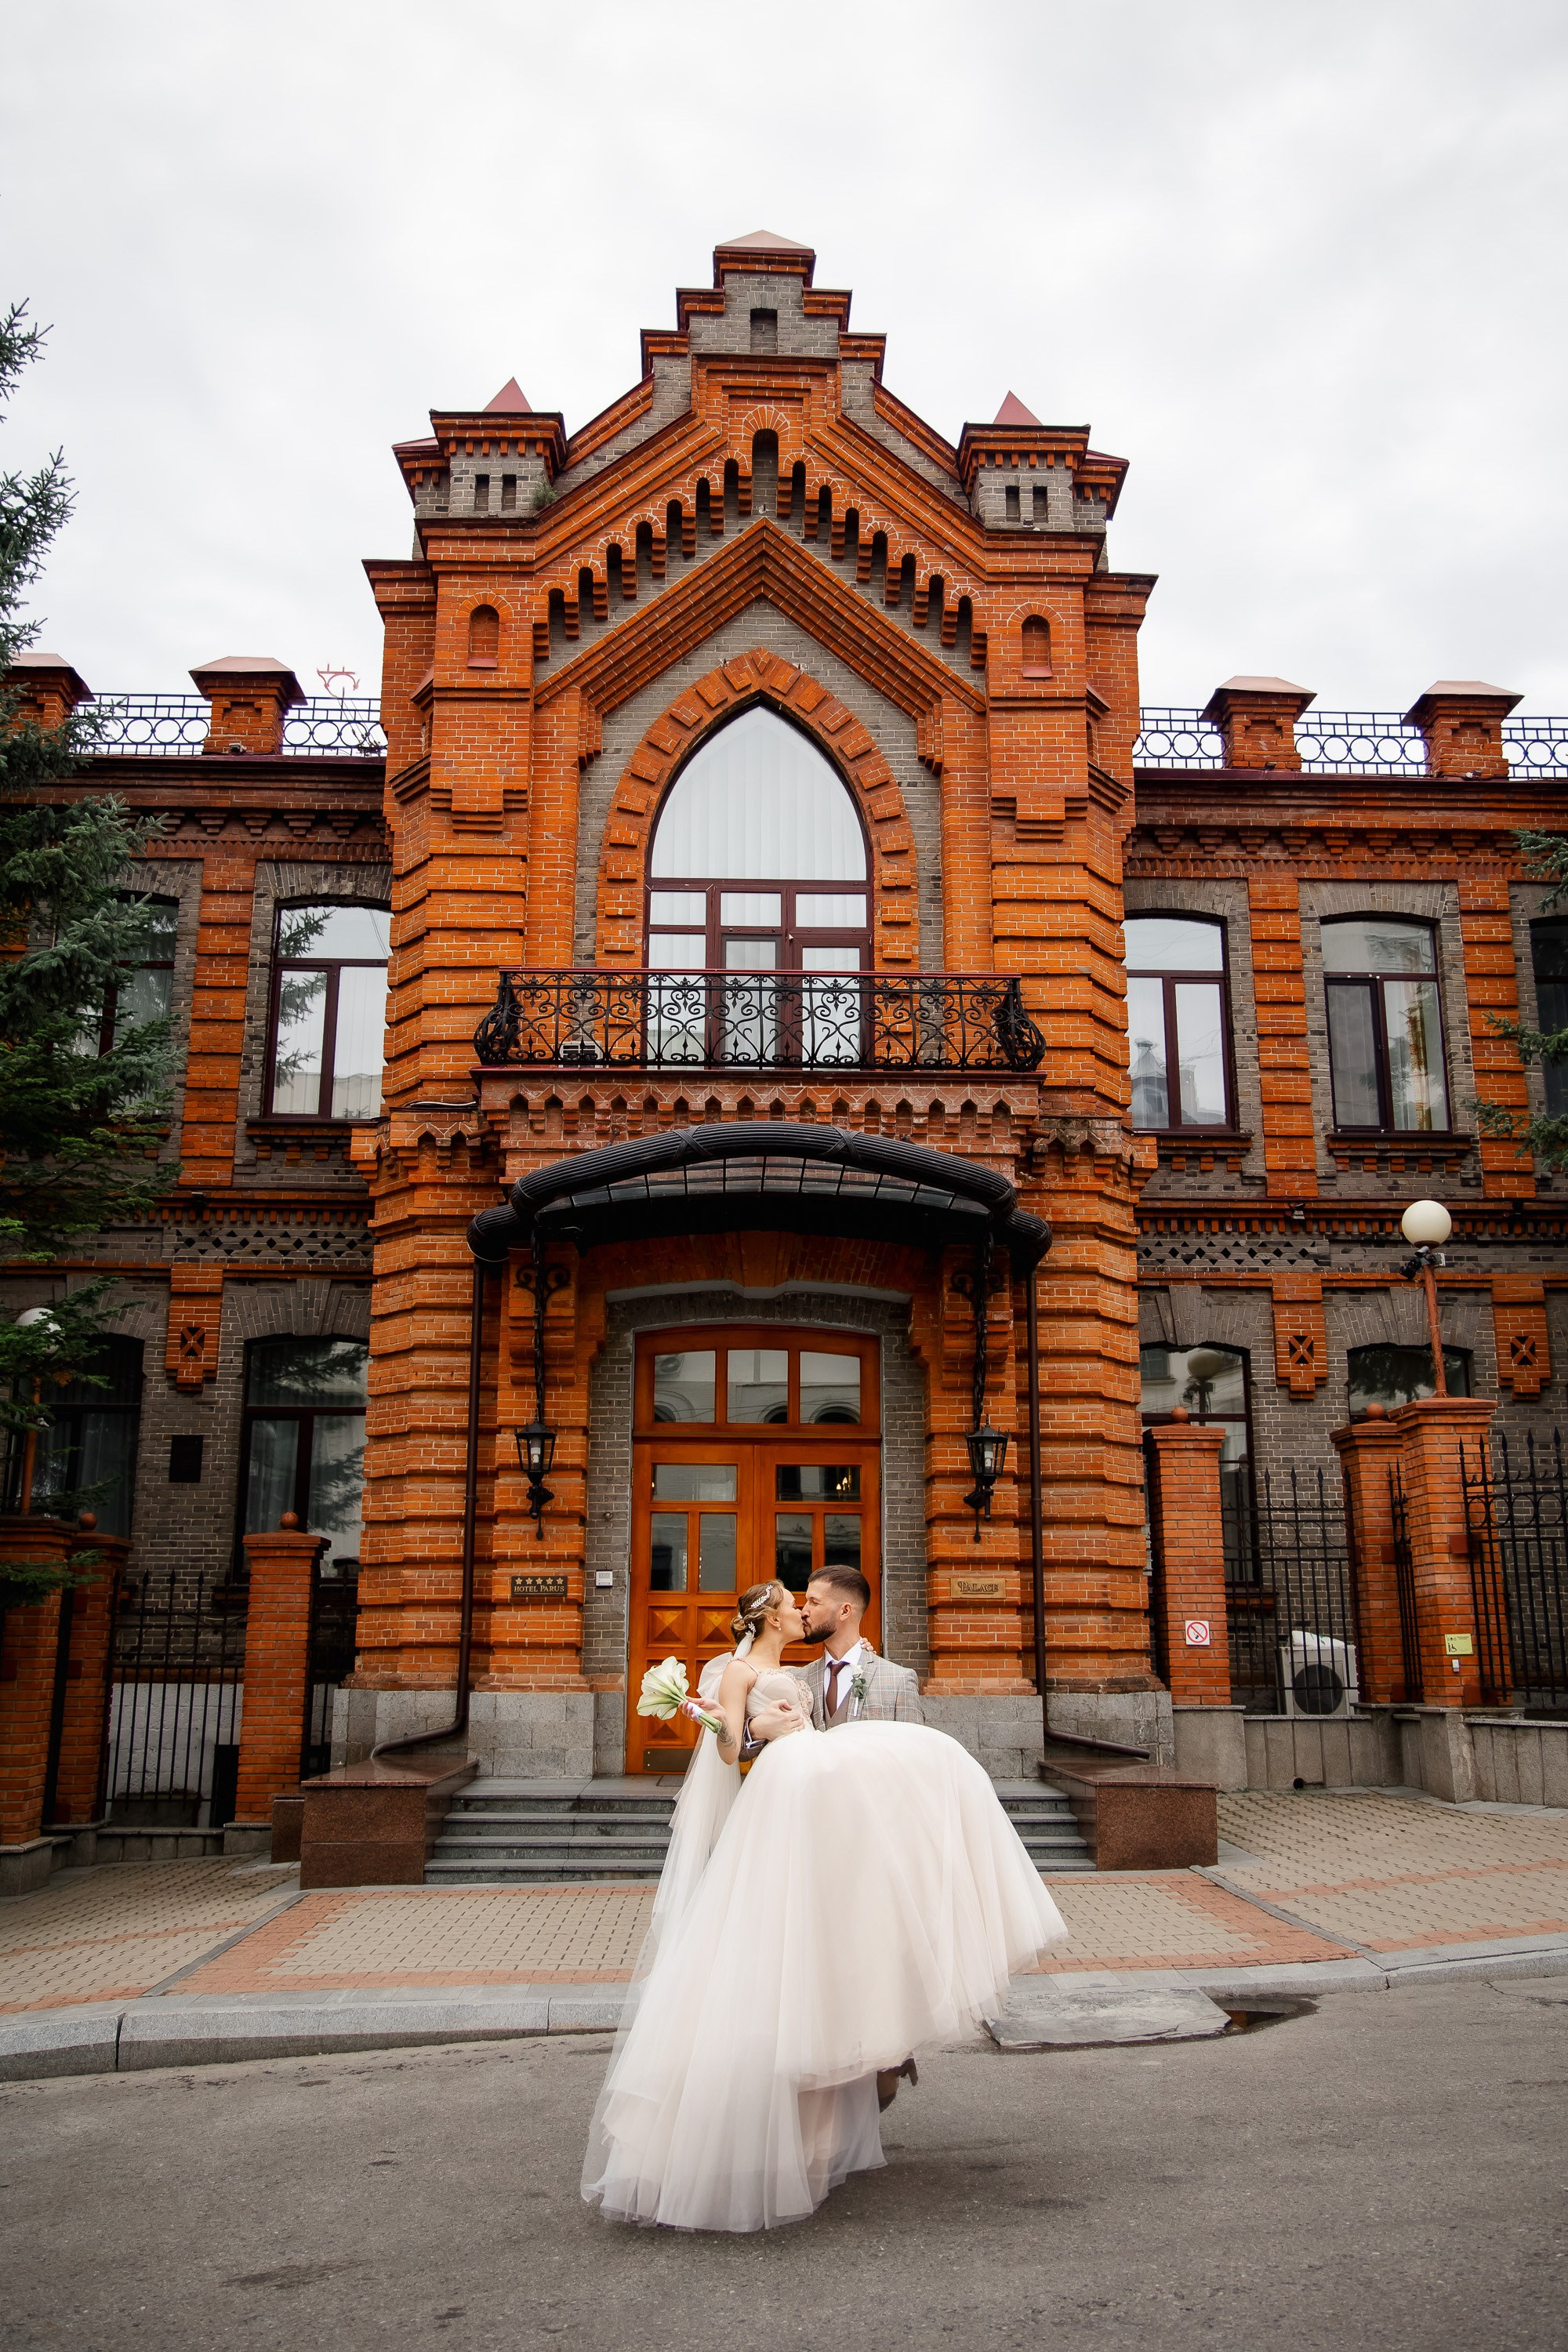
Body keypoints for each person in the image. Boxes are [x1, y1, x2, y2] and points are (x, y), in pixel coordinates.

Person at [581, 1580, 1066, 2234]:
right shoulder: (742, 1670)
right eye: (792, 1603)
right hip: (785, 1811)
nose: (801, 1609)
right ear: (771, 1617)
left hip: (831, 1822)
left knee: (924, 1768)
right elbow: (728, 1749)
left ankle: (857, 2089)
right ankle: (769, 2134)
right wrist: (753, 1725)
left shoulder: (812, 1670)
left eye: (808, 1601)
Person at [797, 1563, 923, 1730]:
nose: (804, 1611)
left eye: (814, 1602)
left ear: (845, 1611)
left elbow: (913, 1750)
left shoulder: (899, 1681)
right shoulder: (799, 1679)